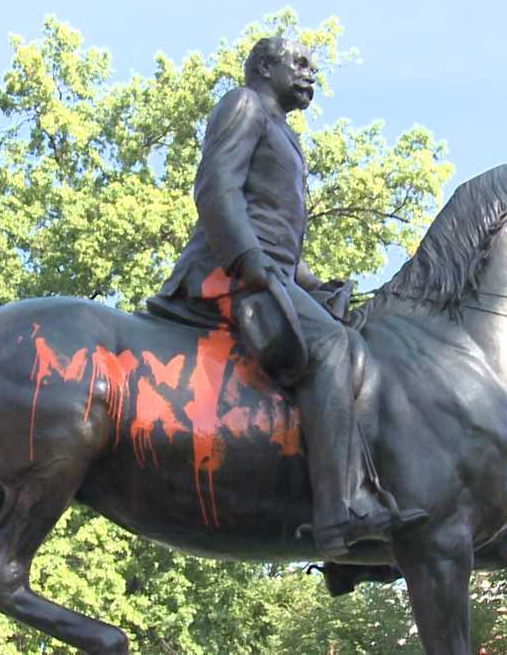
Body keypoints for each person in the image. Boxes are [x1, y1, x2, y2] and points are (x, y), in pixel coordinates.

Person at [148, 37, 427, 558]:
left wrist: (314, 285)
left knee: (355, 342)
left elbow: (278, 235)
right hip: (226, 272)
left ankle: (351, 538)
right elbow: (217, 190)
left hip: (265, 271)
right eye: (299, 63)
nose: (310, 73)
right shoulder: (244, 104)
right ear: (263, 66)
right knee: (334, 349)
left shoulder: (286, 136)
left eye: (313, 66)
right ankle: (340, 509)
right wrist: (248, 260)